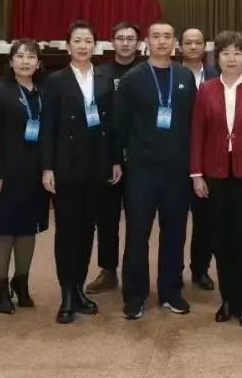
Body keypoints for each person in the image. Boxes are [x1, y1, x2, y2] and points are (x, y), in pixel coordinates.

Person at [191, 30, 242, 328]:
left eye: (237, 53)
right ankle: (227, 299)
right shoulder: (206, 89)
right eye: (225, 53)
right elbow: (198, 133)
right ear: (217, 58)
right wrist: (196, 174)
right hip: (215, 174)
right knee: (221, 239)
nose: (231, 58)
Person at [40, 21, 122, 324]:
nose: (83, 46)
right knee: (67, 231)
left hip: (97, 165)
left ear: (95, 45)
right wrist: (47, 166)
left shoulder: (104, 79)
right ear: (68, 45)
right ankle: (66, 294)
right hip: (66, 166)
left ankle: (78, 290)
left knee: (87, 230)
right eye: (77, 40)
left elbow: (113, 125)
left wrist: (115, 160)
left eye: (88, 41)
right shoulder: (55, 80)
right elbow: (47, 126)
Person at [115, 22, 197, 319]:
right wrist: (118, 160)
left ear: (174, 42)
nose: (162, 41)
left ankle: (171, 291)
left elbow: (193, 123)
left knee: (175, 232)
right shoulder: (133, 78)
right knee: (138, 233)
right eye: (156, 36)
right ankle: (135, 295)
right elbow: (119, 124)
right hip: (142, 170)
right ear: (146, 42)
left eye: (167, 36)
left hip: (177, 169)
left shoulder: (185, 76)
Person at [0, 39, 51, 314]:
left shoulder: (44, 92)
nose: (25, 61)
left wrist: (48, 168)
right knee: (4, 230)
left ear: (38, 63)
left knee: (27, 230)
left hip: (35, 174)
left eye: (31, 57)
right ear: (10, 62)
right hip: (6, 172)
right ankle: (1, 287)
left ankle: (21, 284)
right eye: (20, 56)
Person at [87, 21, 142, 294]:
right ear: (112, 42)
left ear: (138, 43)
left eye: (131, 38)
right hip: (107, 156)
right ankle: (108, 270)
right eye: (120, 38)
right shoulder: (99, 73)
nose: (125, 43)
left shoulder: (146, 71)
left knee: (137, 218)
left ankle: (134, 270)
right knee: (107, 218)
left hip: (139, 157)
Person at [181, 27, 218, 291]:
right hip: (176, 156)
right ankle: (173, 271)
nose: (193, 47)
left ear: (205, 47)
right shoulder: (170, 74)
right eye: (188, 43)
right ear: (180, 47)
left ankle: (200, 269)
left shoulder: (217, 75)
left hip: (208, 158)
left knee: (205, 219)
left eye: (198, 42)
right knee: (174, 220)